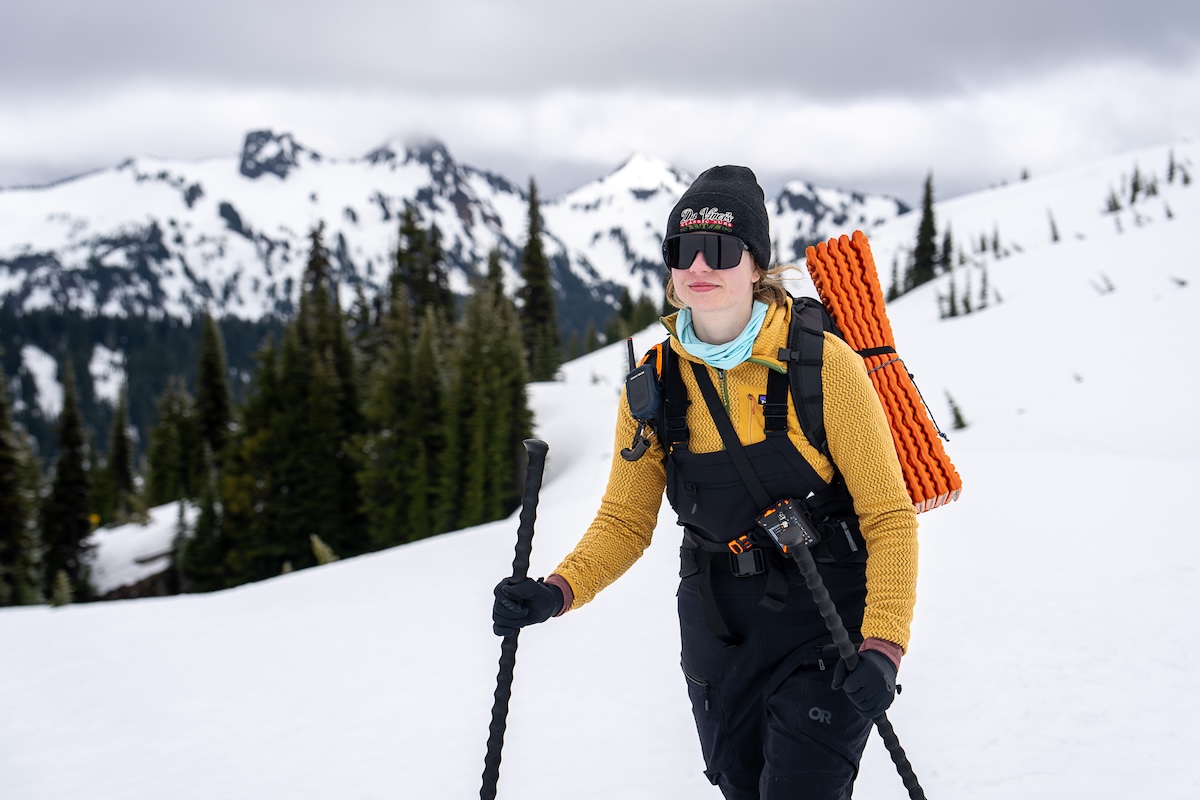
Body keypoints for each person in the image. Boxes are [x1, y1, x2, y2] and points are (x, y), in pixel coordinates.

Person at [492, 165, 919, 800]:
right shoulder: (654, 381)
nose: (700, 264)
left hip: (824, 617)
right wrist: (555, 592)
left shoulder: (822, 365)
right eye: (682, 249)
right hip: (718, 627)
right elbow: (624, 523)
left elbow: (888, 515)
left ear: (756, 265)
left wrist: (884, 643)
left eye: (720, 248)